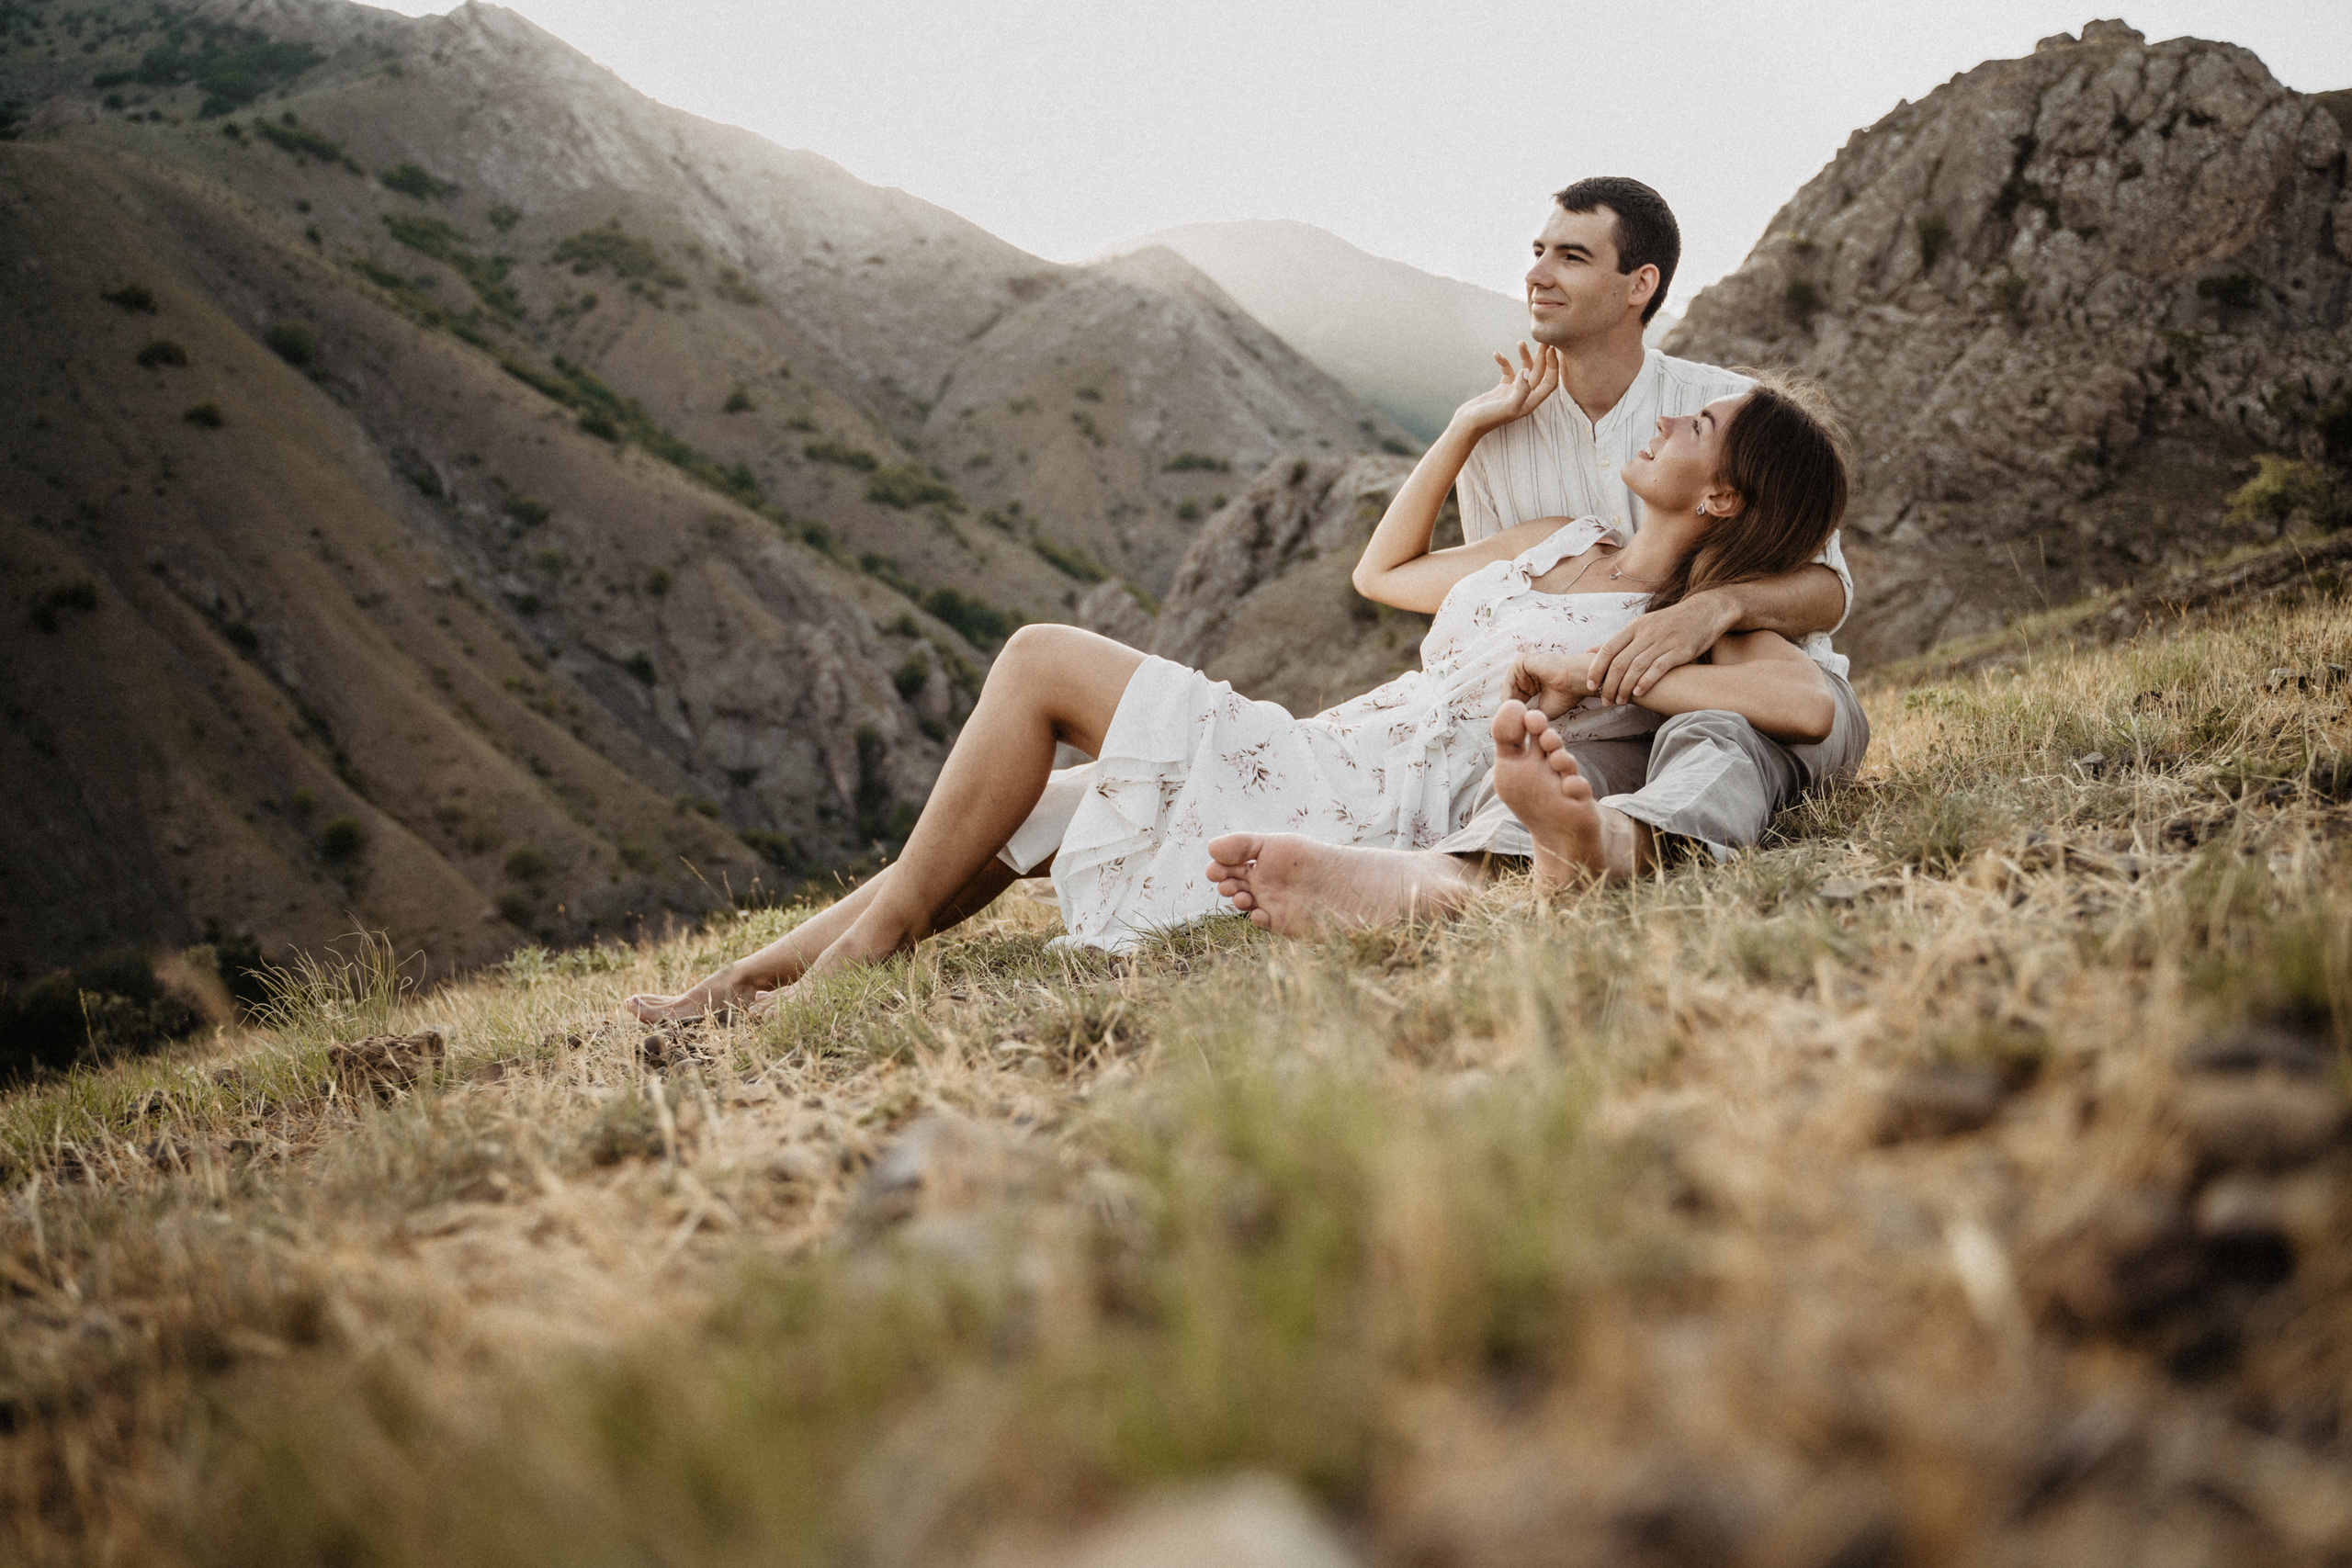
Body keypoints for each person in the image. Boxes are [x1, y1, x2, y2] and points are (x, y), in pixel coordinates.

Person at [625, 362, 1848, 1021]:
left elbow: (1806, 710)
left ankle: (869, 947)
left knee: (1042, 658)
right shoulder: (1555, 539)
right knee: (1040, 805)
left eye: (1698, 424)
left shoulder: (1686, 618)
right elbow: (1384, 573)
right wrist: (1470, 425)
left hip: (1388, 804)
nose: (1666, 418)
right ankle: (733, 991)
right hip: (1337, 742)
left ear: (1723, 496)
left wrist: (1649, 647)